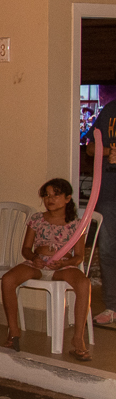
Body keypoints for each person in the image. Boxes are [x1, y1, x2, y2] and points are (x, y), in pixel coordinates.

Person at [0, 178, 91, 359]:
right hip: (38, 264)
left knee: (84, 284)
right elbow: (26, 249)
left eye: (56, 195)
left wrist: (65, 263)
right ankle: (14, 330)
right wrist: (34, 258)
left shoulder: (76, 224)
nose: (50, 199)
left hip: (62, 267)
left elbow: (79, 256)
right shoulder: (37, 219)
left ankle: (78, 338)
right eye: (47, 195)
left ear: (67, 198)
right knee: (8, 279)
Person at [87, 84, 116, 327]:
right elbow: (90, 148)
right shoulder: (109, 111)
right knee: (107, 251)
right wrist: (108, 151)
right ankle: (112, 307)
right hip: (108, 194)